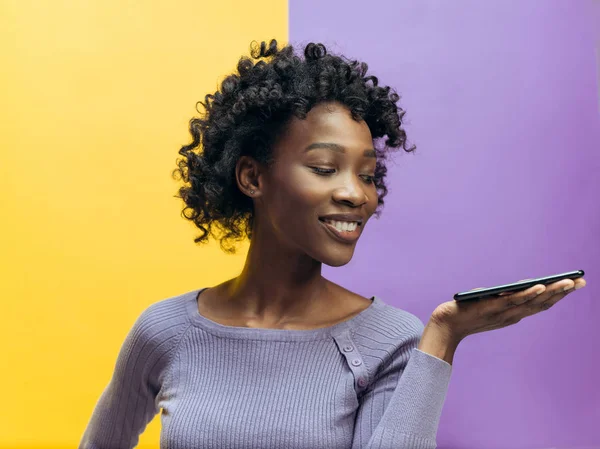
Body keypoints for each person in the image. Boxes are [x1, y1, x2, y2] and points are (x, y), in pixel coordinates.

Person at [79, 39, 587, 449]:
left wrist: (443, 337)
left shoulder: (391, 339)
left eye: (367, 175)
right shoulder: (165, 331)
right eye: (325, 168)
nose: (355, 194)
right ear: (253, 177)